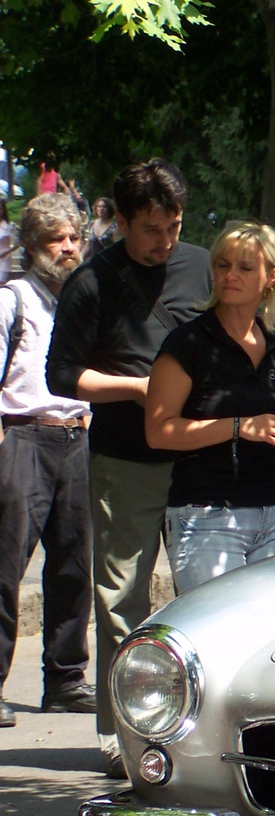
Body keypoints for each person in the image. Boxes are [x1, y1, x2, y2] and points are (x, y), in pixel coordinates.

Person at [46, 158, 210, 776]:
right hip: (126, 457)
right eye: (149, 229)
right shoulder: (93, 280)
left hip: (201, 456)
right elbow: (63, 375)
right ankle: (124, 735)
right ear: (119, 221)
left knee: (205, 593)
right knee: (123, 598)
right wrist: (139, 389)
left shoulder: (200, 266)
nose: (163, 242)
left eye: (172, 227)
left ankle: (199, 729)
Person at [145, 223, 275, 593]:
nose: (230, 275)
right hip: (206, 514)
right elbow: (158, 431)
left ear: (271, 277)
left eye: (245, 268)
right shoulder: (188, 342)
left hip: (273, 511)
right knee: (220, 640)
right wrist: (240, 426)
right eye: (222, 264)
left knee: (269, 637)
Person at [0, 195, 93, 725]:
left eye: (73, 238)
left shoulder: (86, 302)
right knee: (5, 566)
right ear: (32, 246)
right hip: (23, 437)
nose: (67, 248)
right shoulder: (13, 299)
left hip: (77, 438)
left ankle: (65, 678)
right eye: (55, 240)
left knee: (73, 566)